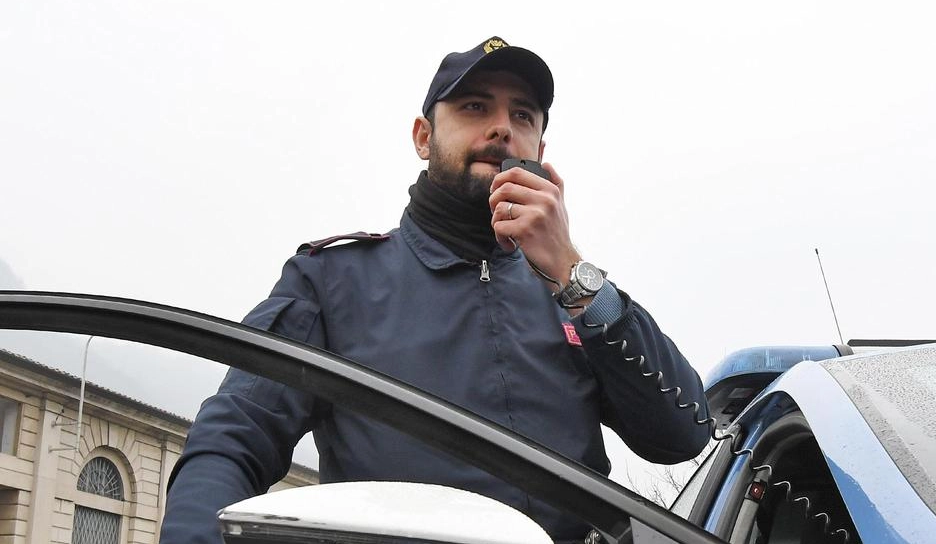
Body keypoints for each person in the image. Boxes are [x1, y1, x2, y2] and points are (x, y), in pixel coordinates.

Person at [159, 36, 710, 543]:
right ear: (424, 137)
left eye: (523, 115)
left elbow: (683, 434)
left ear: (541, 146)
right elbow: (232, 439)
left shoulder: (574, 295)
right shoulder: (331, 281)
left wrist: (572, 273)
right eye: (475, 107)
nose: (502, 128)